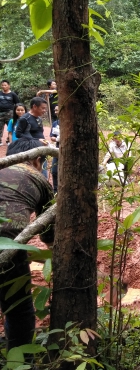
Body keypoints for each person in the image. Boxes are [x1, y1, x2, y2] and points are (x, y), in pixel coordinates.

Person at [0, 138, 55, 351]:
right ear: (37, 160)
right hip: (7, 238)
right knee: (18, 308)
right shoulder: (37, 178)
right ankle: (20, 360)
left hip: (8, 236)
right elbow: (49, 232)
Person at [0, 80, 20, 146]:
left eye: (5, 85)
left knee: (11, 127)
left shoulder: (13, 94)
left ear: (9, 86)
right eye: (2, 85)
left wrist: (17, 112)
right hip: (0, 113)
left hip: (10, 113)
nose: (4, 86)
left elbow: (17, 103)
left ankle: (9, 140)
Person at [49, 106, 60, 193]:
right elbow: (52, 137)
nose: (56, 112)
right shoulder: (55, 123)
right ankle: (55, 191)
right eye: (55, 110)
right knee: (54, 171)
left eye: (57, 110)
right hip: (57, 149)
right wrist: (57, 139)